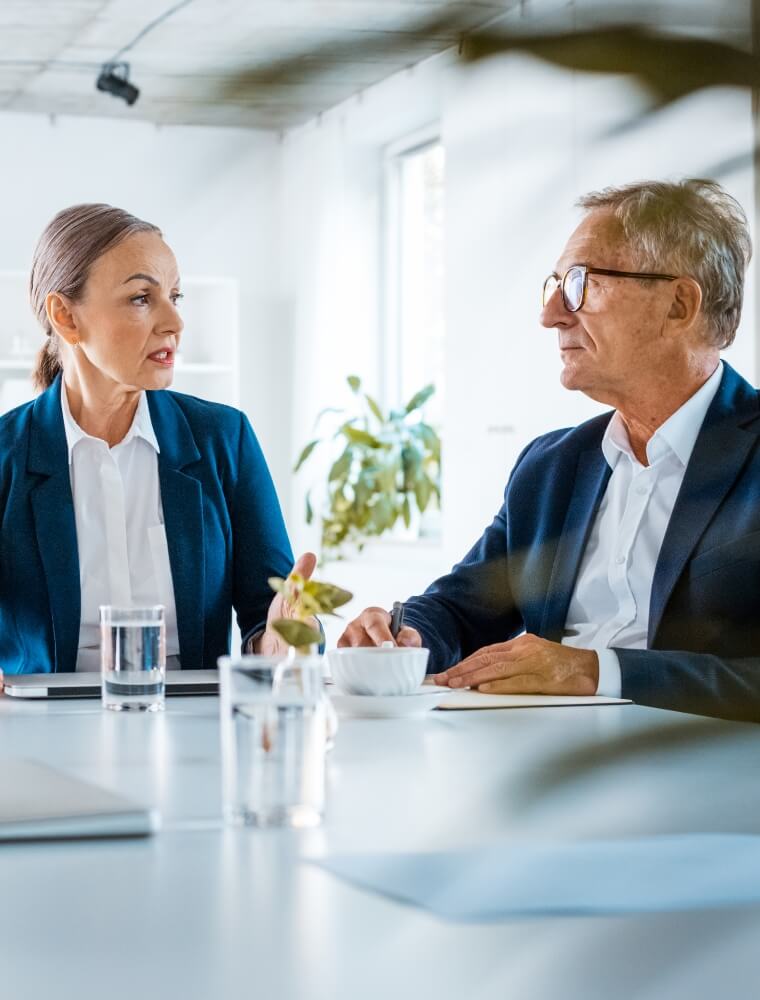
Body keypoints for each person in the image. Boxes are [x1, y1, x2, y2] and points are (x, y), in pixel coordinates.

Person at [339, 178, 760, 723]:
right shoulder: (551, 466)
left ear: (678, 304)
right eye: (555, 286)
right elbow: (462, 609)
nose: (552, 314)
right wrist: (404, 635)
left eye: (581, 284)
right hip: (543, 755)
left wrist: (599, 672)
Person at [0, 203, 314, 674]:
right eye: (141, 298)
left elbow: (267, 618)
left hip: (192, 715)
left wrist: (280, 642)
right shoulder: (7, 454)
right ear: (65, 316)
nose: (175, 323)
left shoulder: (224, 440)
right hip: (45, 716)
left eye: (175, 296)